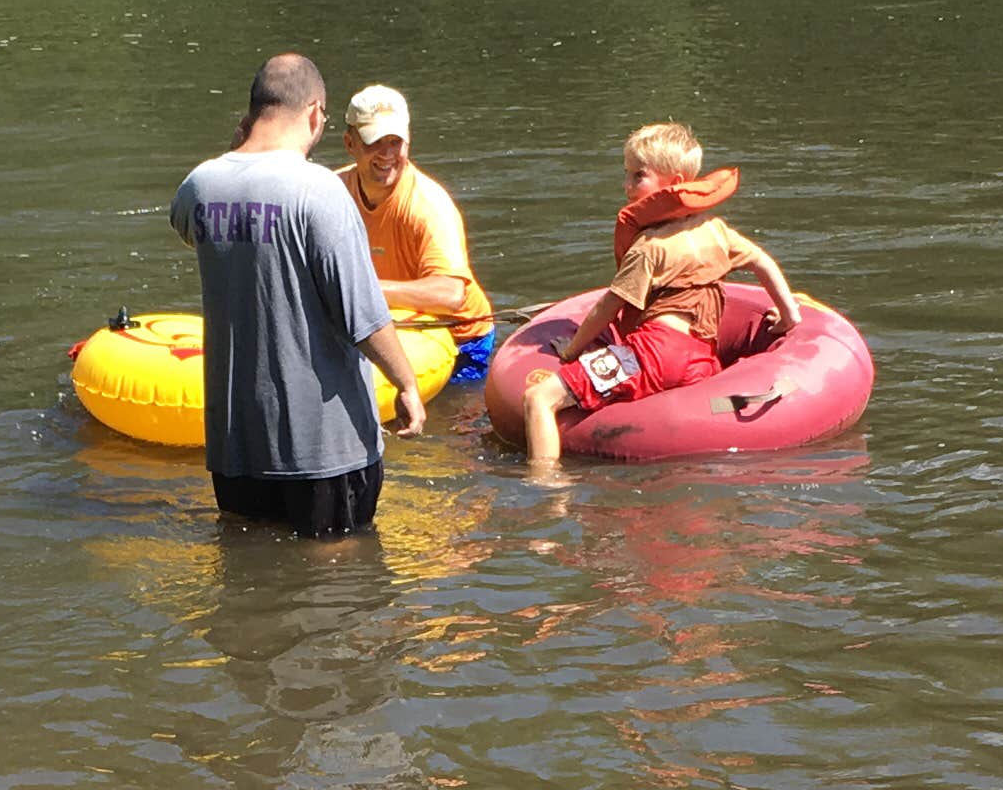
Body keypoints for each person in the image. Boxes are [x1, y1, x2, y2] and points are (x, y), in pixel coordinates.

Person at [168, 52, 427, 538]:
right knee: (339, 568)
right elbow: (362, 315)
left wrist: (236, 149)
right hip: (323, 450)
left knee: (245, 558)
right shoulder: (319, 190)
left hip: (235, 447)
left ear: (253, 113)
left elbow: (188, 230)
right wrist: (406, 383)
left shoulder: (199, 186)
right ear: (313, 112)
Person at [518, 121, 807, 473]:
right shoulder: (716, 230)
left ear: (676, 182)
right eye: (626, 174)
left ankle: (547, 485)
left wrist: (572, 350)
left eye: (638, 175)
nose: (626, 186)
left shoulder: (648, 247)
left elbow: (608, 308)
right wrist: (789, 316)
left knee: (538, 399)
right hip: (702, 359)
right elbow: (762, 261)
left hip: (652, 356)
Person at [337, 86, 494, 337]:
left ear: (408, 140)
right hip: (385, 319)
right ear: (350, 143)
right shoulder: (330, 192)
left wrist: (360, 290)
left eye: (395, 142)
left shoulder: (429, 206)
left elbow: (450, 294)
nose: (387, 154)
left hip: (459, 335)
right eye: (374, 142)